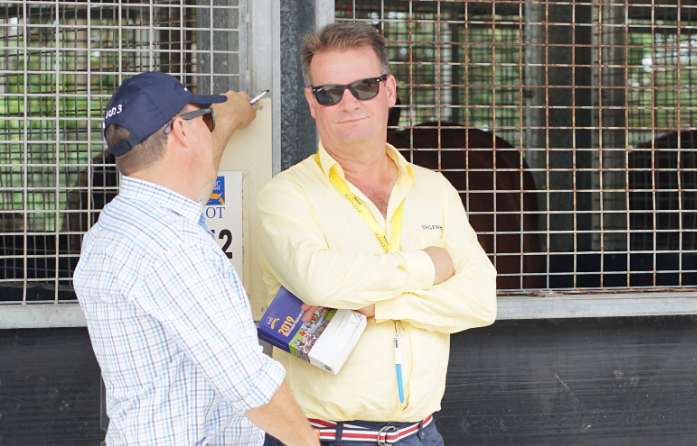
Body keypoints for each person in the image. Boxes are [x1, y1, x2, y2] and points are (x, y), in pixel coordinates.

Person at [254, 23, 497, 445]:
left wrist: (376, 306)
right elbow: (320, 283)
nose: (348, 103)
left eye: (364, 87)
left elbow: (480, 301)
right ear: (312, 103)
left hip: (420, 435)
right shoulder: (285, 196)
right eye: (330, 93)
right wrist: (429, 265)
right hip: (325, 437)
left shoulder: (434, 189)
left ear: (389, 91)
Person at [73, 72, 319, 446]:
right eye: (204, 119)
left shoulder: (113, 227)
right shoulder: (174, 248)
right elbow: (250, 384)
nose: (209, 127)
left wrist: (227, 123)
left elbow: (188, 195)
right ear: (181, 131)